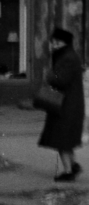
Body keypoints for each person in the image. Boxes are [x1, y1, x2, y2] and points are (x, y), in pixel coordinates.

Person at [36, 26, 84, 181]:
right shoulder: (67, 55)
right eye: (53, 41)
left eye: (57, 42)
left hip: (66, 105)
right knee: (66, 139)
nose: (54, 44)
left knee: (61, 139)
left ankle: (68, 171)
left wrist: (48, 75)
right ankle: (73, 165)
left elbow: (61, 80)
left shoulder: (67, 58)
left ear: (64, 42)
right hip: (69, 103)